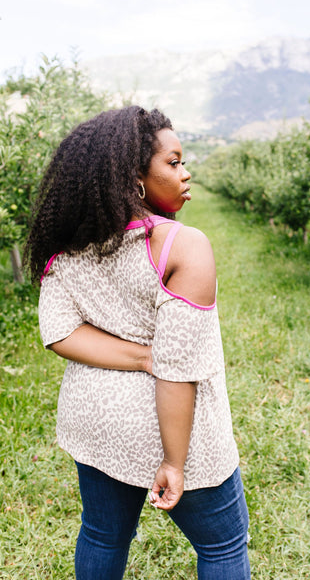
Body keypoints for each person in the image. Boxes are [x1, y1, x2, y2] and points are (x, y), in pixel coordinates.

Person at [24, 106, 250, 580]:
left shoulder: (67, 245)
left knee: (103, 535)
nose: (186, 174)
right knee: (223, 545)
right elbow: (176, 370)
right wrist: (172, 459)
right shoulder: (180, 247)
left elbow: (61, 332)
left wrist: (139, 356)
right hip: (172, 425)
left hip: (96, 420)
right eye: (173, 162)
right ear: (134, 177)